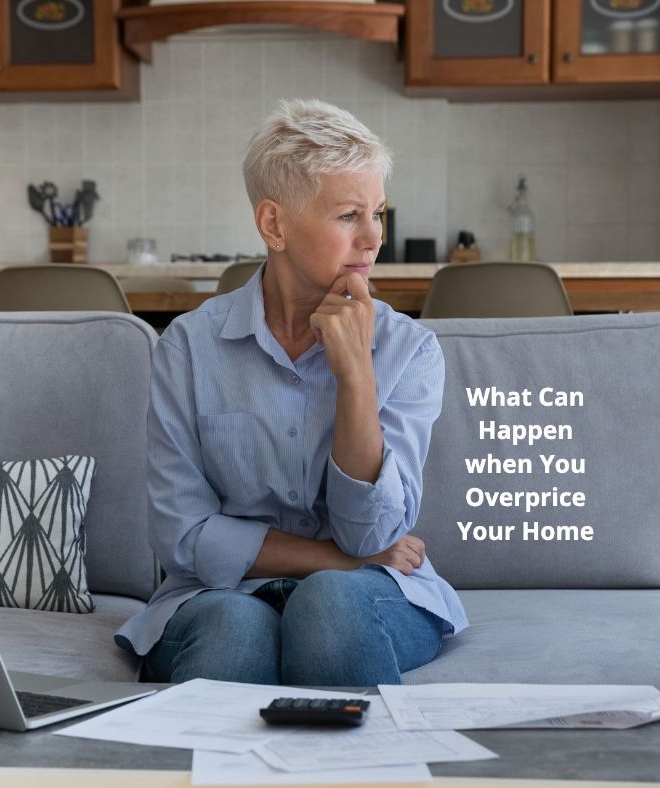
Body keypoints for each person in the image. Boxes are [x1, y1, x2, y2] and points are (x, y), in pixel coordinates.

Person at [115, 99, 467, 685]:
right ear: (274, 224)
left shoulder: (411, 351)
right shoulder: (189, 347)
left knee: (328, 605)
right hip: (218, 596)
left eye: (379, 212)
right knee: (234, 624)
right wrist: (337, 558)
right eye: (349, 215)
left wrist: (356, 372)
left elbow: (375, 535)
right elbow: (184, 535)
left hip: (365, 593)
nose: (374, 238)